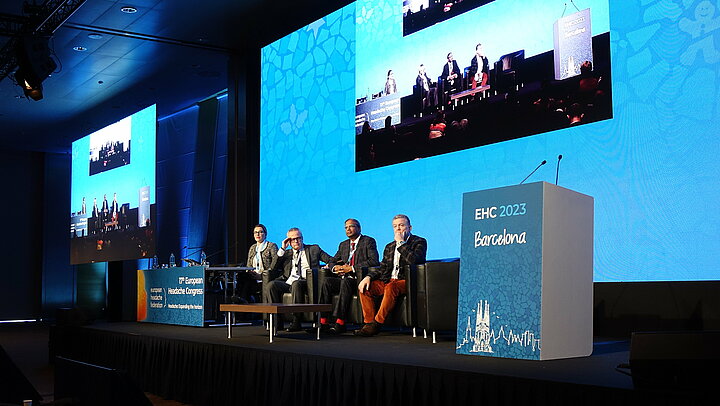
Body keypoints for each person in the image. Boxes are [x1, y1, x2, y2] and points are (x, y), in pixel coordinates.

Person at [355, 214, 427, 336]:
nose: (398, 229)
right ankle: (369, 323)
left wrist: (401, 243)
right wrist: (368, 277)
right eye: (395, 226)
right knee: (365, 288)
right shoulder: (389, 246)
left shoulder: (419, 242)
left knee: (391, 287)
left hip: (407, 281)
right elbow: (383, 267)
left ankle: (377, 323)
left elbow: (415, 260)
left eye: (401, 225)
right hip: (388, 280)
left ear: (410, 228)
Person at [318, 219, 380, 334]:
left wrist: (352, 268)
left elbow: (374, 261)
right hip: (344, 278)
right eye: (346, 227)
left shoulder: (368, 241)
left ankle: (340, 322)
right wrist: (335, 268)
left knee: (346, 281)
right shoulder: (343, 245)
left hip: (358, 279)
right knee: (327, 281)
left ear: (359, 228)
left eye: (351, 226)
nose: (348, 229)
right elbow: (332, 260)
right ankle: (323, 322)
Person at [265, 227, 333, 331]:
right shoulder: (286, 253)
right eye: (293, 239)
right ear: (288, 241)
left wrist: (329, 265)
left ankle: (296, 321)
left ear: (302, 238)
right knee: (271, 285)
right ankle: (276, 322)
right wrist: (282, 248)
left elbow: (330, 259)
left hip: (307, 282)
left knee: (297, 284)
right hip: (289, 282)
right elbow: (273, 268)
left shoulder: (313, 249)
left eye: (298, 238)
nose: (296, 241)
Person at [242, 224, 278, 303]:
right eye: (255, 232)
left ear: (265, 234)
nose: (257, 234)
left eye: (260, 232)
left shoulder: (271, 246)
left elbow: (275, 266)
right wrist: (251, 272)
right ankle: (242, 302)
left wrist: (261, 276)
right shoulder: (252, 248)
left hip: (266, 278)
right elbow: (248, 265)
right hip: (254, 278)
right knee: (243, 277)